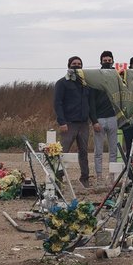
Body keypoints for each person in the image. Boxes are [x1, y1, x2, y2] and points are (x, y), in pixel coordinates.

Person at [53, 56, 91, 187]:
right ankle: (58, 178)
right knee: (62, 152)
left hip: (84, 123)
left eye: (79, 64)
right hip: (68, 123)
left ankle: (85, 178)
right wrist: (62, 122)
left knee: (84, 152)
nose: (77, 65)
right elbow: (58, 103)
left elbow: (89, 102)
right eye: (74, 63)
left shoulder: (85, 84)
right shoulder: (62, 83)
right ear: (69, 65)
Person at [88, 75, 120, 185]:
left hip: (112, 118)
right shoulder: (95, 85)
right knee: (98, 150)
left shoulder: (115, 84)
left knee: (113, 149)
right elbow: (91, 104)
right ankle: (99, 176)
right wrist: (94, 121)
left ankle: (112, 175)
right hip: (99, 119)